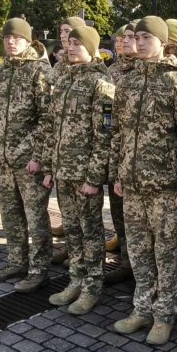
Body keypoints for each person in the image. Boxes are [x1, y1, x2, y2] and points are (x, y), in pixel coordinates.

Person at [110, 16, 177, 345]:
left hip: (166, 188)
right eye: (137, 37)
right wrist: (119, 172)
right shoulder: (128, 83)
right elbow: (119, 133)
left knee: (165, 253)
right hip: (132, 185)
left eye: (148, 37)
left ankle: (164, 315)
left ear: (163, 42)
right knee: (139, 250)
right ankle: (141, 308)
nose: (141, 42)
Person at [41, 24, 114, 316]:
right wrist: (49, 166)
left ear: (92, 48)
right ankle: (76, 278)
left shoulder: (101, 84)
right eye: (69, 44)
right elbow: (51, 128)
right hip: (63, 171)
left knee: (90, 231)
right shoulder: (65, 79)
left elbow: (105, 134)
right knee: (71, 230)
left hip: (85, 175)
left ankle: (92, 286)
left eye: (77, 44)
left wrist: (95, 177)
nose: (70, 48)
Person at [0, 18, 54, 292]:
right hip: (5, 159)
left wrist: (38, 156)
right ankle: (16, 261)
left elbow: (48, 119)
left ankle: (38, 269)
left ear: (27, 40)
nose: (11, 42)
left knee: (36, 217)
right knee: (10, 214)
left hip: (29, 161)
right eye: (7, 38)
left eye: (17, 38)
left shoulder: (39, 72)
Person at [104, 24, 137, 284]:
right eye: (122, 37)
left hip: (143, 164)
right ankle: (126, 261)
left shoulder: (146, 72)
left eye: (130, 37)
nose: (125, 41)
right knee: (119, 214)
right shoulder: (113, 71)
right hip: (118, 155)